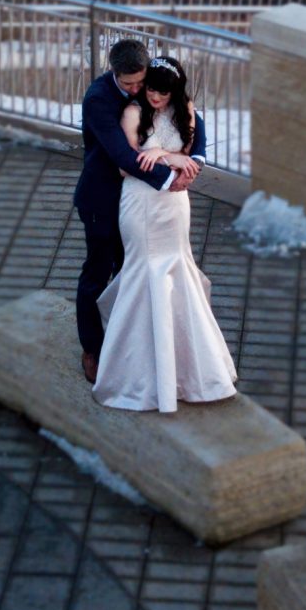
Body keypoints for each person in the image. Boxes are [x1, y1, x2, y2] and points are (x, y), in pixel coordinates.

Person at [91, 54, 237, 412]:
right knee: (145, 270)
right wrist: (165, 156)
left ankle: (188, 369)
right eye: (150, 90)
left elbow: (191, 154)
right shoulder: (133, 113)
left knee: (178, 267)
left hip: (174, 205)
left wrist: (178, 160)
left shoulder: (184, 109)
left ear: (174, 91)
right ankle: (134, 373)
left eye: (161, 92)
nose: (154, 97)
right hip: (141, 203)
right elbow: (128, 167)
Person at [74, 37, 200, 380]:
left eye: (140, 82)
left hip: (140, 204)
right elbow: (122, 155)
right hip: (103, 197)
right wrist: (169, 177)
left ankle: (129, 343)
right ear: (113, 72)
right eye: (127, 83)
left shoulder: (153, 86)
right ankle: (94, 349)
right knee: (98, 273)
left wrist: (191, 158)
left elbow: (188, 114)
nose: (136, 90)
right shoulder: (99, 99)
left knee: (132, 272)